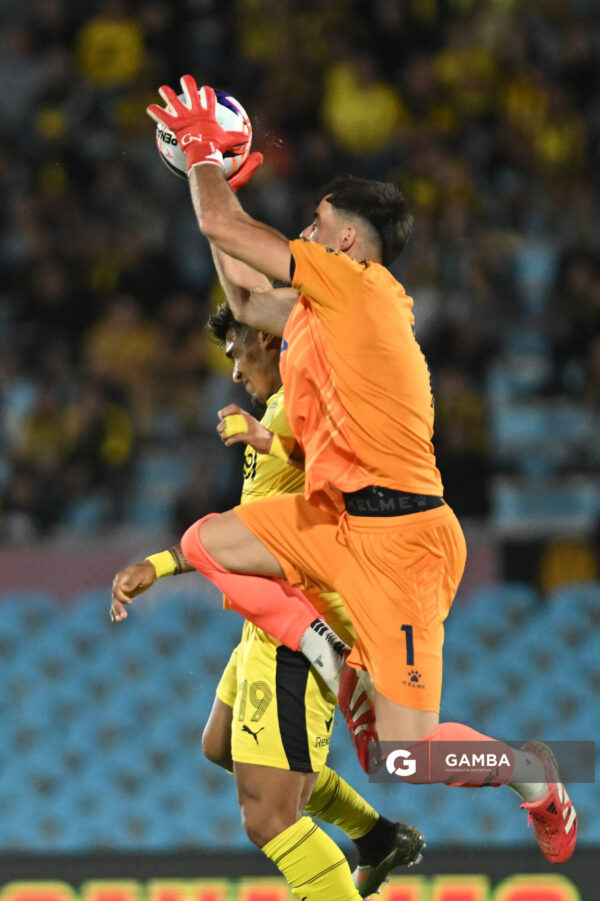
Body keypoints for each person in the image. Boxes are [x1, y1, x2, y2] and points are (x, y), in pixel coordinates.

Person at [140, 76, 576, 866]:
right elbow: (244, 293)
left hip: (403, 542)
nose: (305, 232)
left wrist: (203, 157)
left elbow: (221, 223)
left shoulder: (358, 289)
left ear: (345, 240)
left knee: (400, 758)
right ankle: (324, 646)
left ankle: (532, 773)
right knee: (205, 541)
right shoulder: (321, 312)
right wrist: (219, 183)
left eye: (316, 222)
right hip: (335, 520)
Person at [111, 304, 425, 901]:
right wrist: (161, 565)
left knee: (269, 817)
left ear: (265, 337)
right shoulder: (279, 411)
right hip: (269, 621)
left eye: (237, 353)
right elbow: (249, 528)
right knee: (221, 744)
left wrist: (267, 440)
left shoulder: (307, 404)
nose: (233, 372)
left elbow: (343, 473)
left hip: (299, 630)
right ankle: (377, 836)